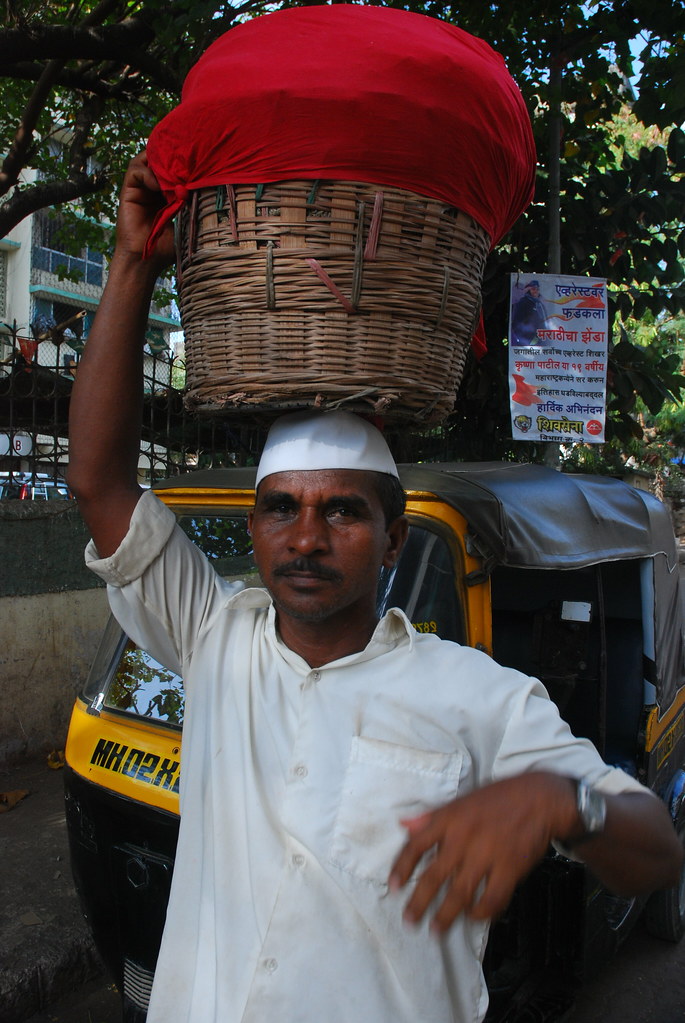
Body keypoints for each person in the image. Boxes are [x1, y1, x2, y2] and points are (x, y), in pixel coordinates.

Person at [67, 153, 683, 1023]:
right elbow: (100, 484)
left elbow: (656, 851)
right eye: (282, 508)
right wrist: (130, 262)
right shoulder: (215, 638)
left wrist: (562, 800)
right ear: (255, 529)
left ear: (393, 538)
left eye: (342, 512)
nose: (307, 535)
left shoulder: (479, 697)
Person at [511, 279, 547, 346]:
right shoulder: (523, 303)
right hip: (525, 340)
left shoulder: (540, 304)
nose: (535, 291)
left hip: (539, 339)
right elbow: (517, 322)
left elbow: (545, 322)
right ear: (528, 290)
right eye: (533, 289)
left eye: (537, 289)